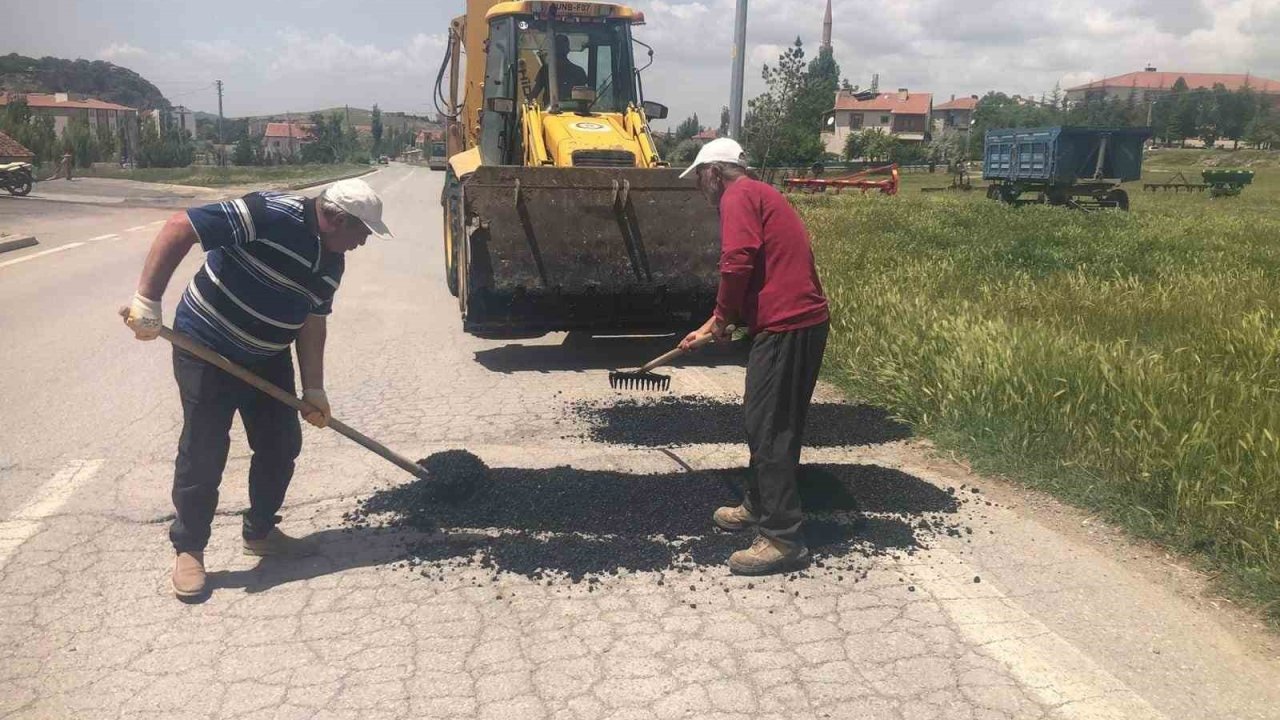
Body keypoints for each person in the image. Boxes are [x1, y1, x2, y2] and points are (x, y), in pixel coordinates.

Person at [120, 179, 393, 599]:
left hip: (267, 357)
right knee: (205, 447)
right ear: (336, 218)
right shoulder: (268, 214)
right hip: (206, 346)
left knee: (281, 443)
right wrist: (148, 301)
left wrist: (314, 389)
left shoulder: (331, 262)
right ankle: (190, 550)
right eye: (361, 232)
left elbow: (312, 321)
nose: (364, 242)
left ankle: (260, 531)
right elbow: (180, 226)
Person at [679, 138, 830, 576]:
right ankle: (759, 504)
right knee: (764, 421)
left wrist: (721, 318)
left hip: (790, 326)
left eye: (700, 181)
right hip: (790, 323)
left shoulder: (738, 195)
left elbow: (738, 262)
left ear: (713, 172)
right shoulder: (760, 193)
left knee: (770, 428)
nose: (701, 191)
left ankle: (784, 540)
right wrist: (729, 324)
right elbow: (770, 270)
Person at [527, 34, 589, 106]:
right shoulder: (545, 70)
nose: (560, 51)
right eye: (559, 48)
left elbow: (585, 98)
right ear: (568, 50)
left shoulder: (578, 72)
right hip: (549, 114)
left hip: (574, 114)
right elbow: (534, 94)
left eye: (561, 48)